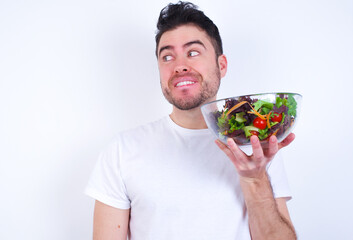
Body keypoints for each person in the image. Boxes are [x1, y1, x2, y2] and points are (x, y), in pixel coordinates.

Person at [85, 1, 297, 239]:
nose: (179, 66)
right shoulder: (122, 151)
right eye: (167, 56)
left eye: (193, 52)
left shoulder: (256, 147)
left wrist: (255, 179)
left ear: (221, 65)